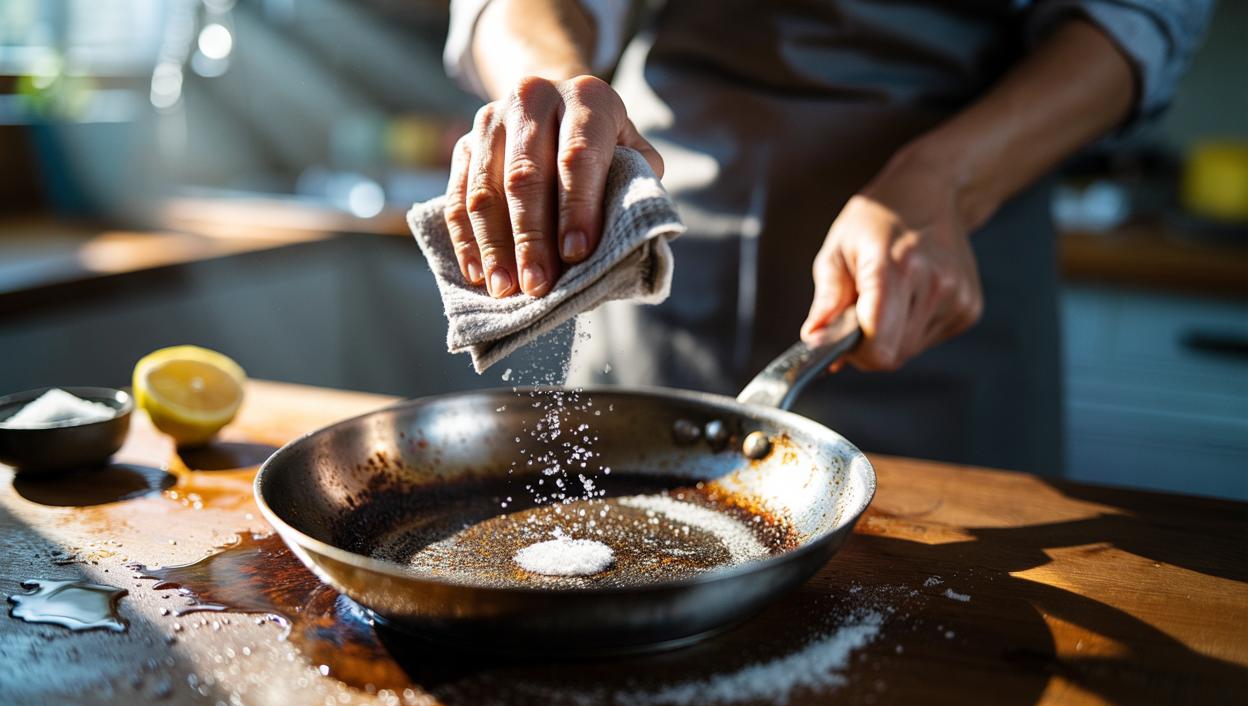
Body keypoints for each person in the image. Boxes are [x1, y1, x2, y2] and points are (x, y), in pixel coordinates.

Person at [437, 0, 1210, 474]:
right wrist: (557, 93)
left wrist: (947, 177)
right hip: (673, 233)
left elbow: (1134, 18)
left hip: (949, 232)